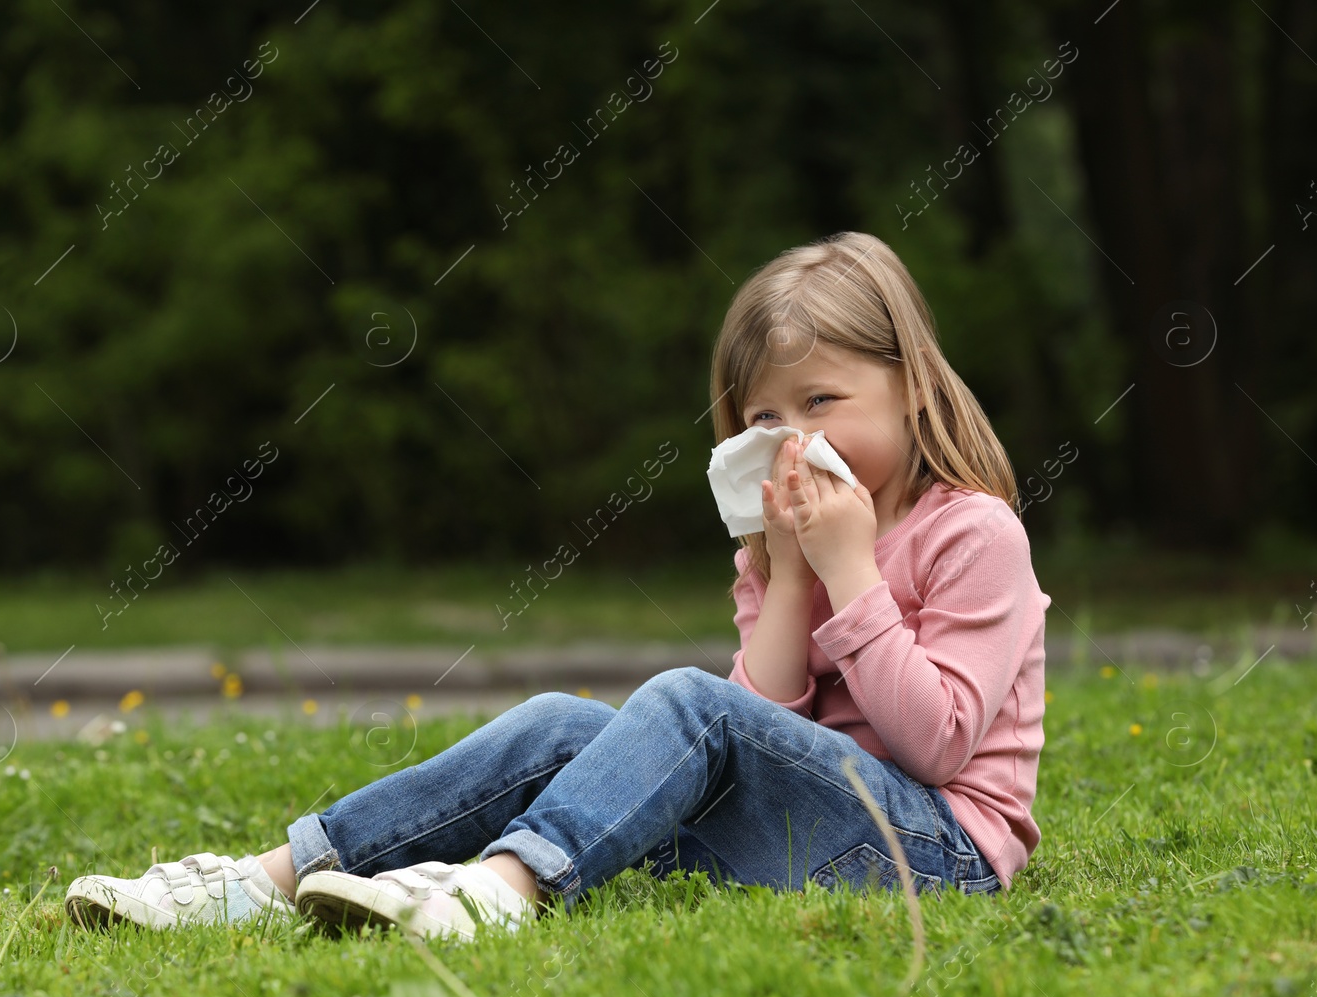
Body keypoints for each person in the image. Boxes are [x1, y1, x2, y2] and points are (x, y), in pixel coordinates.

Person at [64, 231, 1049, 941]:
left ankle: (499, 887)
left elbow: (935, 744)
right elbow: (750, 736)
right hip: (807, 832)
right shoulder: (776, 550)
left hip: (936, 854)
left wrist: (850, 572)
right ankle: (270, 878)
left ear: (910, 386)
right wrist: (791, 577)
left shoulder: (972, 532)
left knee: (682, 700)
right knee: (556, 721)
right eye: (763, 416)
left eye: (822, 400)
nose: (791, 440)